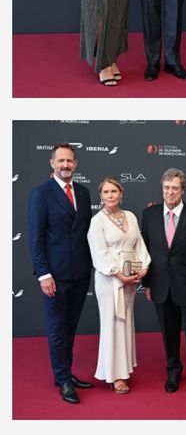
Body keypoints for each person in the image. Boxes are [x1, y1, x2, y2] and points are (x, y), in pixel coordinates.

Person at [28, 143, 93, 404]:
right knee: (57, 329)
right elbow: (35, 237)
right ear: (52, 163)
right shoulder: (41, 194)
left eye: (69, 161)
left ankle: (65, 373)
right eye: (60, 161)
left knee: (70, 327)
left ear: (75, 164)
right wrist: (43, 273)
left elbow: (86, 233)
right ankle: (63, 379)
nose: (65, 165)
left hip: (80, 273)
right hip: (54, 276)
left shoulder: (84, 192)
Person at [141, 169, 186, 398]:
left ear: (182, 190)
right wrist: (148, 284)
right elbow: (145, 253)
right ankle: (173, 373)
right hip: (161, 287)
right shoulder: (149, 215)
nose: (170, 192)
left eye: (174, 188)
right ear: (162, 189)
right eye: (166, 188)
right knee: (168, 334)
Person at [87, 176, 151, 393]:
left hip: (130, 279)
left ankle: (124, 369)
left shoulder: (130, 216)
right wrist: (117, 273)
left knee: (125, 323)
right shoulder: (97, 221)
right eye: (105, 192)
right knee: (112, 324)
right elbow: (99, 253)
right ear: (101, 196)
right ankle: (114, 376)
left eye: (113, 192)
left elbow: (139, 245)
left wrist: (143, 267)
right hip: (109, 281)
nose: (110, 196)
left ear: (121, 194)